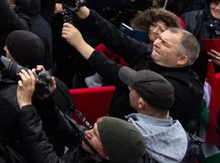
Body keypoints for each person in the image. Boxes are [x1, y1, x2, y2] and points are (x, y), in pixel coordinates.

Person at [12, 68, 158, 163]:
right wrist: (46, 98)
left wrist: (26, 108)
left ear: (107, 155)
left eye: (95, 135)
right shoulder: (111, 150)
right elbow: (67, 129)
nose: (87, 133)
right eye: (93, 128)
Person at [62, 8, 205, 135]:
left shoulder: (178, 88)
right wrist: (85, 12)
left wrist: (81, 45)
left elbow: (117, 73)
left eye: (165, 43)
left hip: (135, 139)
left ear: (182, 60)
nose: (156, 43)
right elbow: (118, 39)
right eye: (159, 38)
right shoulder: (152, 54)